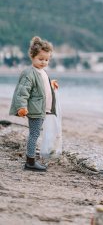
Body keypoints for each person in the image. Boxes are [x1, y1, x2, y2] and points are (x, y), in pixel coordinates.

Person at [9, 36, 59, 171]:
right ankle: (30, 161)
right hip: (35, 110)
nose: (44, 62)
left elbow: (41, 86)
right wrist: (21, 107)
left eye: (47, 60)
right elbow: (22, 91)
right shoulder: (29, 73)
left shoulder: (41, 72)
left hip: (41, 109)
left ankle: (31, 158)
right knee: (34, 134)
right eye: (41, 59)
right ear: (32, 56)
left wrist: (51, 83)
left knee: (36, 133)